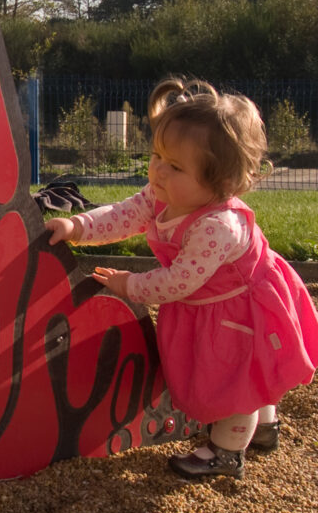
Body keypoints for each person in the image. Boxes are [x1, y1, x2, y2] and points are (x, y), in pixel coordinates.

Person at [46, 78, 318, 480]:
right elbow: (125, 214)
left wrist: (129, 285)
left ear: (219, 183)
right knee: (245, 373)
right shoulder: (165, 192)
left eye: (175, 166)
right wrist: (78, 226)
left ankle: (227, 453)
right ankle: (264, 427)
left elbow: (177, 283)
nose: (158, 170)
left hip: (239, 310)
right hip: (213, 303)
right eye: (157, 155)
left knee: (235, 378)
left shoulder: (217, 225)